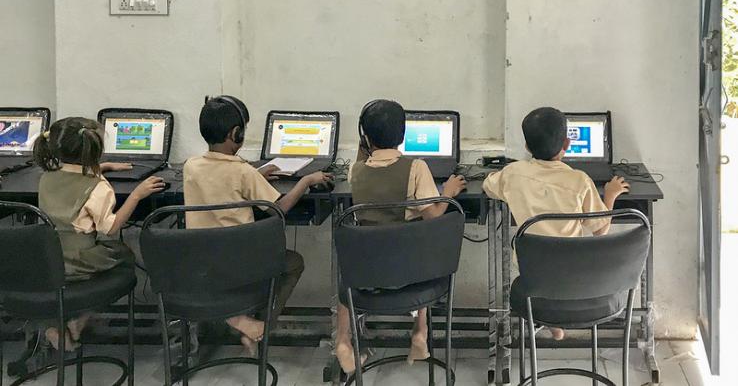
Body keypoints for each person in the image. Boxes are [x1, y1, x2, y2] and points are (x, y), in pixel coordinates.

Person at [183, 95, 332, 355]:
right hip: (241, 264)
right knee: (294, 262)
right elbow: (280, 208)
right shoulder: (243, 172)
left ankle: (240, 321)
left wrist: (257, 176)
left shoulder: (191, 167)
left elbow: (223, 181)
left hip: (201, 263)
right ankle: (259, 325)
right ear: (236, 134)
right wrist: (306, 181)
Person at [334, 99, 466, 373]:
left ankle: (343, 341)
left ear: (365, 137)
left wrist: (364, 144)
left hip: (367, 276)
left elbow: (362, 163)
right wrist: (448, 192)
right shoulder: (416, 167)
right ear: (404, 135)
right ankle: (420, 331)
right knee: (421, 247)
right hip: (411, 276)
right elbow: (433, 214)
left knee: (347, 270)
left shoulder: (354, 170)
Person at [483, 107, 630, 340]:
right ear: (567, 144)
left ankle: (550, 321)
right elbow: (601, 229)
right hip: (574, 273)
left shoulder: (513, 174)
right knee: (562, 263)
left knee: (545, 265)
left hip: (533, 274)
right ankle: (556, 320)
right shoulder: (579, 180)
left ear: (527, 147)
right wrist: (610, 195)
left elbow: (488, 186)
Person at [34, 117, 165, 350]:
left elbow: (72, 177)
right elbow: (111, 227)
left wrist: (102, 168)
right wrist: (137, 194)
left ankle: (61, 326)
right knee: (125, 258)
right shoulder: (98, 188)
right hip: (80, 261)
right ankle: (78, 321)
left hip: (48, 259)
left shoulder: (46, 177)